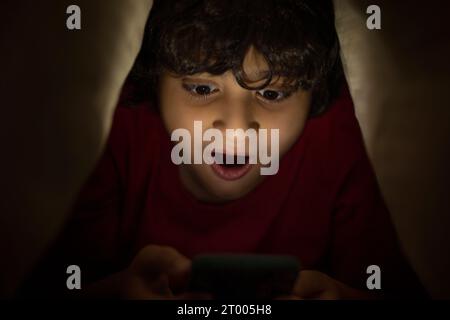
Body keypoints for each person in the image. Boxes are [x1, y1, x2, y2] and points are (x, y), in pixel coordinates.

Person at [20, 0, 426, 299]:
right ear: (155, 84)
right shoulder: (119, 125)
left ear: (314, 97)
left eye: (271, 92)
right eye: (201, 89)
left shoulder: (338, 136)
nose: (234, 127)